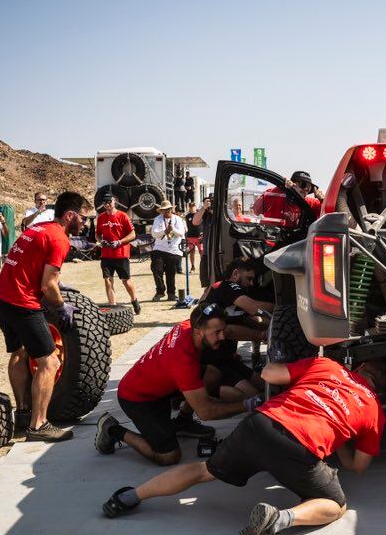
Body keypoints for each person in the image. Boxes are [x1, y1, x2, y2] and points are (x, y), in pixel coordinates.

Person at [100, 355, 386, 535]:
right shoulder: (374, 411)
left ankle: (129, 497)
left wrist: (281, 362)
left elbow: (269, 374)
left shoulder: (326, 365)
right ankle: (279, 519)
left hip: (261, 424)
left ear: (360, 366)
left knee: (204, 470)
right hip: (299, 448)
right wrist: (340, 430)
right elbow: (357, 466)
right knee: (336, 504)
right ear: (380, 390)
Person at [94, 302, 252, 466]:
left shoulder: (189, 325)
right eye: (217, 333)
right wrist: (248, 404)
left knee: (212, 374)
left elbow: (230, 331)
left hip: (159, 383)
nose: (223, 337)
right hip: (137, 399)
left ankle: (183, 421)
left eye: (222, 330)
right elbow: (206, 412)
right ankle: (112, 429)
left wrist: (261, 334)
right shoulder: (182, 361)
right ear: (198, 332)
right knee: (169, 456)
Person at [0, 191, 87, 443]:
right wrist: (61, 306)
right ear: (70, 215)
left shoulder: (38, 228)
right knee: (49, 362)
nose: (85, 223)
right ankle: (38, 425)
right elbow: (47, 286)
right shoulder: (60, 239)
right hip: (21, 303)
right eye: (83, 218)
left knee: (19, 352)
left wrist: (56, 281)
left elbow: (32, 262)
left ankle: (23, 414)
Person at [199, 258, 274, 399]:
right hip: (212, 362)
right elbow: (254, 308)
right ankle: (203, 394)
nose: (251, 284)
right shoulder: (228, 286)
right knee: (254, 397)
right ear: (235, 274)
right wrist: (282, 308)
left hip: (225, 359)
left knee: (265, 387)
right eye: (248, 278)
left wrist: (271, 326)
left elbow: (248, 319)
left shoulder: (225, 293)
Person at [96, 194, 140, 314]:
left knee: (126, 281)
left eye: (109, 202)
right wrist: (101, 241)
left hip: (121, 254)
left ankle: (134, 300)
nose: (107, 205)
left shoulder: (123, 216)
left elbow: (133, 234)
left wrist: (119, 242)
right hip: (106, 254)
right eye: (105, 203)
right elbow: (97, 234)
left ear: (114, 201)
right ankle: (113, 307)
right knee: (108, 280)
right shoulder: (101, 217)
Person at [252, 171, 323, 232]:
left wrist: (322, 200)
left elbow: (327, 217)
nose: (305, 190)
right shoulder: (276, 193)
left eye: (309, 188)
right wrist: (280, 188)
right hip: (270, 238)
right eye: (303, 185)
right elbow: (256, 210)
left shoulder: (311, 203)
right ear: (292, 184)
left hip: (295, 241)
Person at [150, 200, 185, 301]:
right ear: (161, 211)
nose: (167, 211)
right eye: (164, 210)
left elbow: (181, 233)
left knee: (171, 273)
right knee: (156, 269)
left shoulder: (178, 219)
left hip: (174, 249)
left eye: (168, 209)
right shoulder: (157, 219)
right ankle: (160, 291)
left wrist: (172, 229)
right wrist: (164, 231)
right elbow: (154, 233)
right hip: (159, 248)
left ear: (171, 209)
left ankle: (171, 293)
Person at [193, 195, 214, 288]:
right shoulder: (204, 213)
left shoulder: (225, 212)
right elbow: (195, 222)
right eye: (207, 202)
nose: (210, 203)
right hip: (207, 253)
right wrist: (204, 208)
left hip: (220, 251)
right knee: (207, 282)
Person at [184, 201, 201, 266]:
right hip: (190, 237)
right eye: (190, 207)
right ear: (189, 208)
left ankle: (202, 266)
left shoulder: (199, 214)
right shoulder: (187, 216)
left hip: (199, 237)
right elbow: (186, 226)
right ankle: (192, 266)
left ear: (195, 207)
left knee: (201, 252)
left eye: (193, 206)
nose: (192, 208)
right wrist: (186, 237)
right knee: (192, 252)